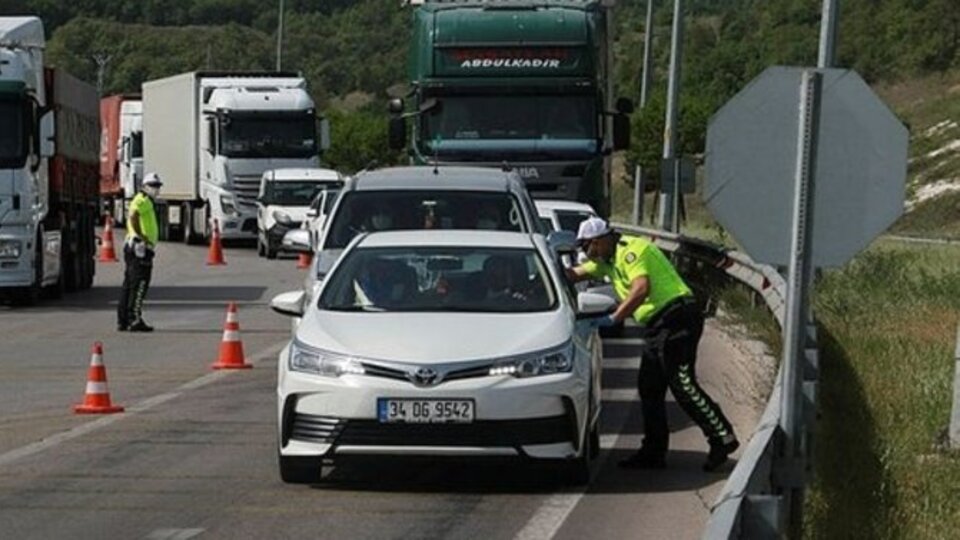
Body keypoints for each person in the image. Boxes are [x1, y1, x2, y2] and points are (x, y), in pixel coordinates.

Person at [566, 217, 738, 471]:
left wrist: (614, 318)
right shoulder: (607, 261)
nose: (585, 253)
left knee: (683, 384)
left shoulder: (631, 251)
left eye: (586, 246)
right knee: (650, 388)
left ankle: (722, 437)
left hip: (678, 318)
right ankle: (653, 452)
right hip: (658, 326)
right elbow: (574, 274)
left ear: (600, 240)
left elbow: (641, 289)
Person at [117, 173, 162, 332]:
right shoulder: (143, 200)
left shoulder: (144, 200)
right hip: (139, 248)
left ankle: (124, 319)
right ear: (144, 186)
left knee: (129, 284)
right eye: (152, 186)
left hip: (135, 247)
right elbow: (133, 216)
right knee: (139, 284)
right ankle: (134, 319)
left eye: (158, 186)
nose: (156, 189)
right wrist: (141, 236)